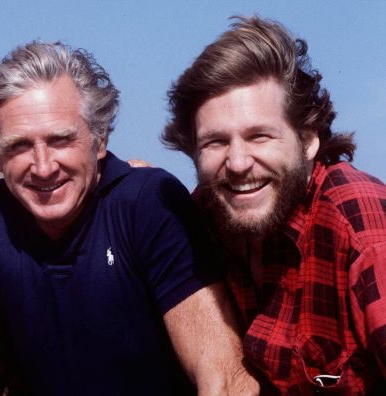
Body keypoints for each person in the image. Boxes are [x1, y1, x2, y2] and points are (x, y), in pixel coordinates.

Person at [0, 41, 258, 395]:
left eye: (61, 140)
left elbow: (222, 377)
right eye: (19, 146)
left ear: (99, 140)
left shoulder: (145, 203)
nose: (43, 166)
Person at [163, 15, 386, 394]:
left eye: (259, 136)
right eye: (215, 143)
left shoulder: (357, 223)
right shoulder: (200, 218)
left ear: (308, 140)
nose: (237, 163)